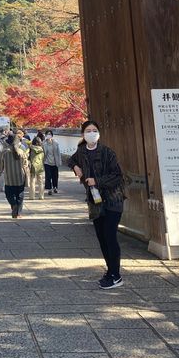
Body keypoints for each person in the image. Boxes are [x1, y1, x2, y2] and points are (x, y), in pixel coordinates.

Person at [68, 120, 126, 289]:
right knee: (101, 238)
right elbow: (71, 160)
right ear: (83, 135)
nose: (91, 133)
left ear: (98, 133)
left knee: (110, 236)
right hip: (95, 201)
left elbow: (118, 176)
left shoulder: (107, 152)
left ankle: (116, 275)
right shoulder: (81, 151)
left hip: (113, 199)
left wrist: (96, 181)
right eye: (88, 130)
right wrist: (75, 167)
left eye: (94, 130)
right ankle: (110, 271)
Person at [0, 130, 30, 218]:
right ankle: (18, 212)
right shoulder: (21, 152)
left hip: (9, 178)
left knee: (9, 194)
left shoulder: (4, 152)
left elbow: (0, 165)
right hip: (20, 177)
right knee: (20, 195)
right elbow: (25, 164)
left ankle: (13, 205)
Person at [43, 129, 62, 195]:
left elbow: (58, 153)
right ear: (45, 135)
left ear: (52, 135)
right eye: (47, 134)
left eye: (50, 134)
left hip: (54, 162)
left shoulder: (56, 143)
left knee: (55, 176)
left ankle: (55, 187)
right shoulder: (43, 143)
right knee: (48, 176)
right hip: (46, 162)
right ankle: (49, 189)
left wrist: (59, 162)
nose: (49, 135)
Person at [28, 135, 45, 200]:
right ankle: (41, 196)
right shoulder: (42, 149)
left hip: (33, 166)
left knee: (32, 182)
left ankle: (32, 196)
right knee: (40, 182)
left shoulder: (31, 149)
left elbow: (28, 157)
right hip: (40, 166)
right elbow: (43, 158)